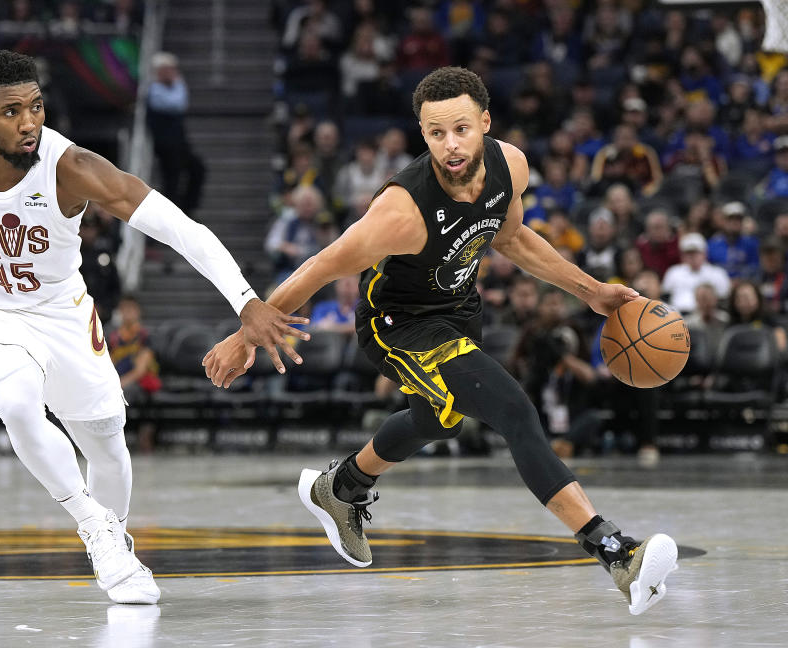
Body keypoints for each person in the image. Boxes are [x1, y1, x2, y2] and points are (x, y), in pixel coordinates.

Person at [204, 67, 677, 615]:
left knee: (437, 419)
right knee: (514, 411)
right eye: (435, 133)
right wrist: (246, 330)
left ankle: (342, 489)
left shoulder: (510, 167)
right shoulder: (401, 211)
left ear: (485, 123)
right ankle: (619, 554)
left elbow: (512, 236)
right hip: (396, 324)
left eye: (460, 129)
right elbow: (323, 265)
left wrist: (591, 291)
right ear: (422, 134)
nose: (450, 145)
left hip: (457, 311)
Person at [0, 49, 307, 605]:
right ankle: (94, 529)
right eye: (11, 112)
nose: (29, 123)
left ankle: (114, 536)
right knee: (19, 404)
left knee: (106, 444)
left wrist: (246, 301)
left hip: (63, 313)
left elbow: (181, 228)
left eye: (37, 107)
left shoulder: (71, 167)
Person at [145, 52, 206, 216]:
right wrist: (178, 83)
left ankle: (187, 209)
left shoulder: (173, 86)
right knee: (171, 181)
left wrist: (177, 83)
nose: (174, 73)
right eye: (169, 69)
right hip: (165, 145)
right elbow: (177, 104)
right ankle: (170, 218)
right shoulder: (155, 90)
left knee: (197, 169)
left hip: (180, 143)